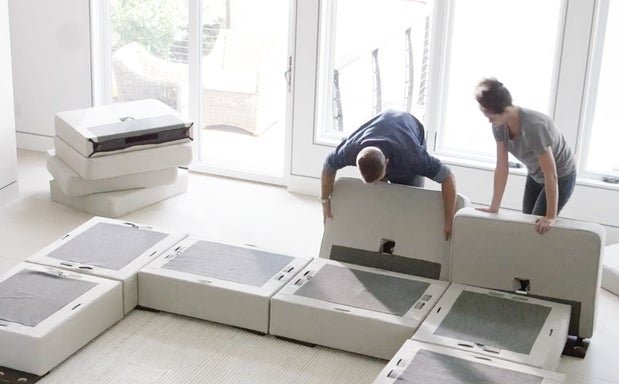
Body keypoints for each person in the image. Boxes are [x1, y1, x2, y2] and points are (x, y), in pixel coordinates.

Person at [320, 109, 457, 240]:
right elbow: (328, 168)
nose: (375, 184)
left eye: (378, 179)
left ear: (386, 162)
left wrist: (449, 222)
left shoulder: (412, 157)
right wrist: (325, 201)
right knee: (382, 201)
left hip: (408, 128)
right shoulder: (349, 151)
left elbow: (448, 178)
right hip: (381, 123)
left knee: (409, 200)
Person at [475, 78, 577, 234]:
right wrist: (494, 207)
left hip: (561, 175)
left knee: (537, 227)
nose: (489, 120)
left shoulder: (534, 127)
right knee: (526, 222)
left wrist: (550, 217)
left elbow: (551, 174)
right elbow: (502, 167)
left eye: (491, 116)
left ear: (505, 110)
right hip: (535, 174)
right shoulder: (499, 125)